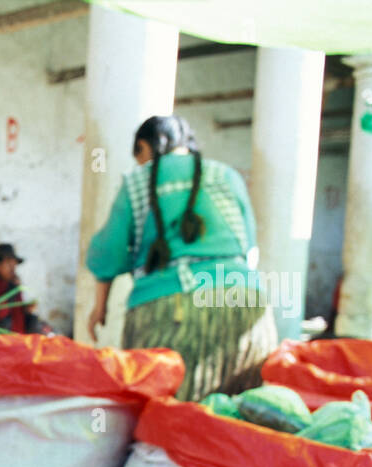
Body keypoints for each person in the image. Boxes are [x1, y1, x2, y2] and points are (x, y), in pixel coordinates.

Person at [86, 115, 277, 401]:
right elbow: (249, 244)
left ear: (143, 147)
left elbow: (107, 254)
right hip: (246, 303)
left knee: (169, 413)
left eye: (138, 156)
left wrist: (99, 306)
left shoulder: (139, 180)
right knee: (238, 416)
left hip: (171, 310)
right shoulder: (226, 175)